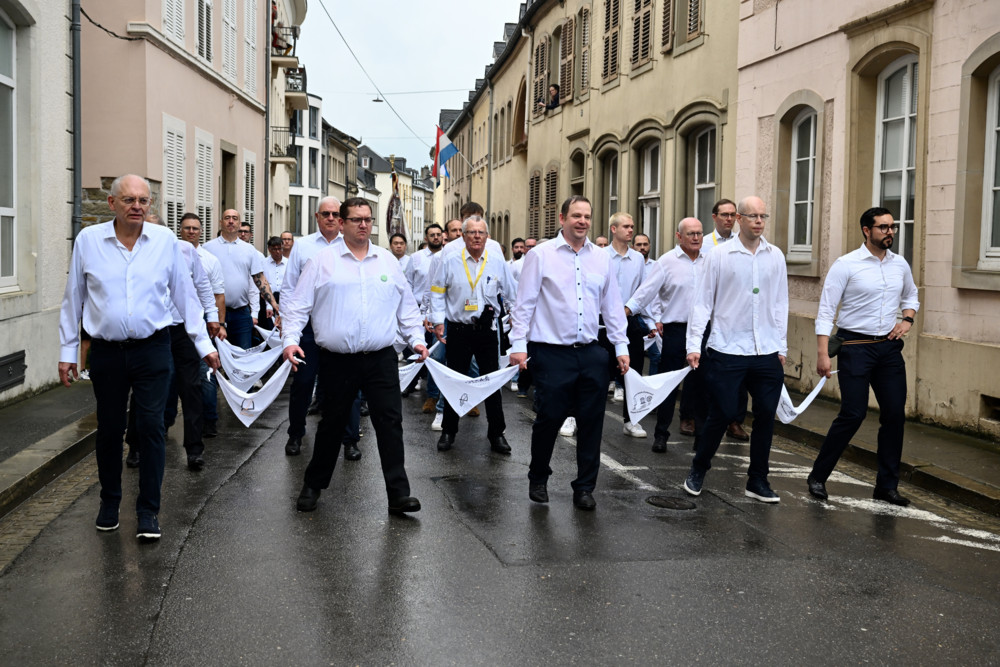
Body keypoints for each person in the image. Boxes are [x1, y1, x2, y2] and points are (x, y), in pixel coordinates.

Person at [57, 174, 220, 540]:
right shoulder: (89, 241)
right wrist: (69, 351)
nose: (137, 207)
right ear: (112, 203)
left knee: (151, 428)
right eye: (129, 200)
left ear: (151, 206)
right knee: (111, 430)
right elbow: (73, 298)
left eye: (144, 201)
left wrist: (204, 345)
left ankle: (148, 511)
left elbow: (185, 296)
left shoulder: (165, 242)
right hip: (107, 353)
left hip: (153, 349)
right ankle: (110, 502)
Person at [281, 197, 428, 515]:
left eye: (368, 219)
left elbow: (407, 307)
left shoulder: (387, 261)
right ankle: (313, 485)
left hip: (380, 358)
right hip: (338, 359)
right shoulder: (322, 261)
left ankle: (398, 495)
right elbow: (298, 305)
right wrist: (290, 341)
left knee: (390, 423)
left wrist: (416, 340)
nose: (363, 224)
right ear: (343, 224)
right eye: (356, 219)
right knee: (332, 423)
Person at [509, 196, 629, 511]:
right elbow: (525, 304)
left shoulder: (601, 258)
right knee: (549, 418)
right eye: (576, 215)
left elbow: (612, 305)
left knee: (592, 422)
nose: (582, 221)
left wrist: (621, 346)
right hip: (550, 352)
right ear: (562, 218)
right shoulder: (540, 255)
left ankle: (585, 488)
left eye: (587, 216)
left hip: (591, 353)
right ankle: (538, 476)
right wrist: (518, 345)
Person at [807, 207, 919, 506]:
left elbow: (911, 296)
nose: (890, 232)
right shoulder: (846, 264)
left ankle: (886, 486)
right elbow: (826, 311)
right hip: (855, 347)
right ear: (866, 230)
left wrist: (907, 320)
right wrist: (822, 354)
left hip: (888, 349)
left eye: (892, 227)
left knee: (894, 415)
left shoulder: (900, 265)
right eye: (883, 227)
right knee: (853, 414)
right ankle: (818, 476)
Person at [682, 196, 788, 503]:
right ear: (738, 219)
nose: (758, 221)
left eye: (762, 216)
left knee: (766, 415)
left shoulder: (775, 256)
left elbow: (780, 303)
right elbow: (702, 302)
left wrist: (781, 345)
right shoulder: (719, 255)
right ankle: (698, 468)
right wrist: (693, 345)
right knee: (724, 412)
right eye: (752, 216)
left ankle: (757, 480)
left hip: (766, 350)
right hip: (727, 349)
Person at [281, 196, 362, 462]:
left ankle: (350, 440)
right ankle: (295, 434)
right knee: (303, 384)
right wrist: (287, 324)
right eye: (325, 214)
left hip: (339, 327)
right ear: (317, 217)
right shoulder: (303, 247)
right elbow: (290, 288)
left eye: (334, 214)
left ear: (341, 219)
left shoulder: (351, 245)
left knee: (347, 387)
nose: (330, 218)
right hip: (307, 329)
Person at [431, 216, 517, 454]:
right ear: (463, 237)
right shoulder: (450, 260)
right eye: (471, 233)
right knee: (454, 381)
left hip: (488, 331)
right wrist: (438, 321)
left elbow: (512, 293)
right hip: (459, 330)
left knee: (491, 383)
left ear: (487, 237)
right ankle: (449, 431)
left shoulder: (496, 260)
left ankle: (497, 434)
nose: (477, 236)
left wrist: (517, 324)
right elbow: (437, 292)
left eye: (481, 233)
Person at [626, 218, 705, 453]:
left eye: (699, 233)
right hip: (676, 330)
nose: (696, 237)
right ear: (678, 236)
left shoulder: (710, 261)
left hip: (703, 330)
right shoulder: (667, 262)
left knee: (703, 385)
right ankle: (661, 434)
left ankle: (702, 438)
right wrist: (626, 311)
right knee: (669, 383)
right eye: (690, 233)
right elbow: (647, 291)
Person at [704, 198, 750, 442]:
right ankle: (706, 416)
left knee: (740, 375)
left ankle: (735, 421)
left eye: (733, 215)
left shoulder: (743, 244)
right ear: (715, 217)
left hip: (736, 319)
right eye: (724, 214)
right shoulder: (703, 245)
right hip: (710, 317)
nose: (729, 219)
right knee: (709, 373)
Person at [602, 212, 652, 437]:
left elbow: (642, 291)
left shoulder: (638, 259)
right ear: (614, 229)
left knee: (633, 371)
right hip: (601, 321)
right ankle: (575, 416)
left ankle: (631, 420)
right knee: (596, 370)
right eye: (626, 227)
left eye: (632, 227)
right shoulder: (599, 256)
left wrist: (649, 320)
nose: (631, 230)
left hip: (628, 319)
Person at [178, 213, 226, 440]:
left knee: (206, 375)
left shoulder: (210, 260)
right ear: (180, 230)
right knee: (170, 381)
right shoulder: (170, 254)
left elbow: (215, 295)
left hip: (202, 326)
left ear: (201, 231)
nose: (191, 232)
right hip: (175, 327)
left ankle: (209, 421)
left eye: (195, 228)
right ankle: (167, 419)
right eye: (187, 228)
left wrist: (217, 322)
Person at [203, 210, 277, 349]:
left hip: (241, 314)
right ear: (221, 222)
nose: (231, 221)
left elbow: (259, 278)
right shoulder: (207, 248)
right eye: (227, 218)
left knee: (244, 357)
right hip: (213, 314)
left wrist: (274, 304)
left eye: (234, 218)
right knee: (213, 358)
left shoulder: (249, 250)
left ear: (239, 223)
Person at [406, 223, 445, 414]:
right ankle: (431, 394)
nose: (436, 237)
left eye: (439, 234)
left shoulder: (447, 256)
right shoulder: (416, 258)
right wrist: (419, 313)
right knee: (430, 356)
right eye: (432, 235)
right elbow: (408, 285)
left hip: (441, 314)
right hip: (420, 313)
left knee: (443, 357)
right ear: (426, 237)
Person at [631, 233, 660, 375]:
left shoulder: (657, 266)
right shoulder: (629, 265)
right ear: (632, 246)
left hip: (651, 317)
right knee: (630, 354)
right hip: (633, 316)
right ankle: (620, 385)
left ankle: (650, 389)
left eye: (645, 244)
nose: (642, 247)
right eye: (638, 245)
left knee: (656, 355)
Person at [260, 236, 287, 330]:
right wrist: (269, 306)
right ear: (269, 249)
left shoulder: (289, 263)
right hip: (267, 299)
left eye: (280, 249)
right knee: (268, 328)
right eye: (274, 249)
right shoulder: (263, 263)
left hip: (284, 299)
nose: (277, 252)